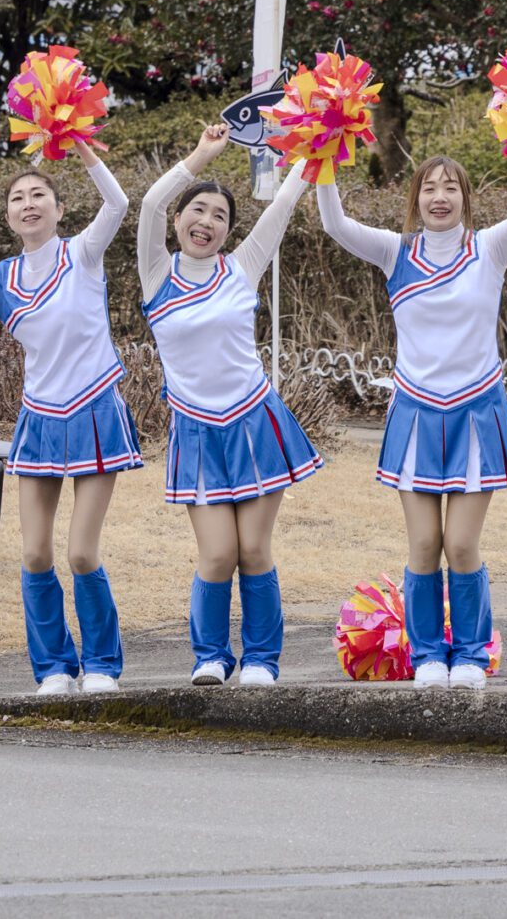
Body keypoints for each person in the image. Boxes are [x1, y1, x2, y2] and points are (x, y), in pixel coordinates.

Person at [315, 152, 507, 690]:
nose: (440, 197)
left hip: (476, 413)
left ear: (465, 198)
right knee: (424, 544)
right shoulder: (394, 251)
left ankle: (470, 655)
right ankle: (427, 654)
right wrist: (322, 155)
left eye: (451, 187)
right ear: (416, 199)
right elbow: (334, 223)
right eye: (429, 188)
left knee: (462, 545)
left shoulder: (490, 248)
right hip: (416, 415)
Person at [0, 146, 139, 696]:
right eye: (18, 198)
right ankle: (54, 668)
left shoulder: (83, 253)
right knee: (35, 554)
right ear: (9, 216)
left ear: (59, 210)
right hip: (39, 417)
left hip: (95, 410)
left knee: (81, 552)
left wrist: (80, 147)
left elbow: (118, 203)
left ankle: (102, 665)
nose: (28, 204)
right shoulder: (3, 276)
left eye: (39, 195)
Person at [138, 124, 321, 687]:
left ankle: (262, 660)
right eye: (198, 210)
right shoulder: (156, 273)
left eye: (220, 215)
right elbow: (148, 203)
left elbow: (285, 202)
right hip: (196, 432)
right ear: (178, 219)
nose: (207, 221)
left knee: (254, 550)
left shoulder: (242, 268)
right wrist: (201, 156)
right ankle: (211, 657)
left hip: (256, 425)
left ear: (228, 231)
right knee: (218, 554)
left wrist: (322, 138)